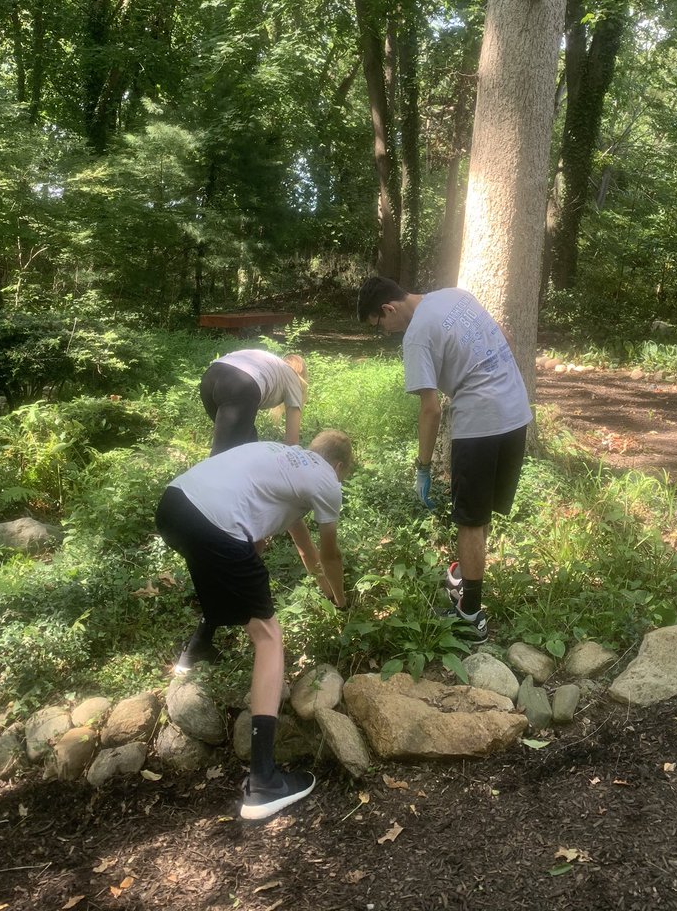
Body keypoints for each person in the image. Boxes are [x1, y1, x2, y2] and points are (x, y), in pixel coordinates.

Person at [156, 430, 352, 821]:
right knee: (268, 637)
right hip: (216, 523)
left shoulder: (282, 461)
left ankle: (195, 651)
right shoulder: (327, 482)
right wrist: (342, 602)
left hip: (175, 506)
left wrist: (323, 591)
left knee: (229, 572)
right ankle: (264, 782)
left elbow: (303, 549)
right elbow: (330, 556)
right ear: (339, 467)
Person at [357, 277, 531, 642]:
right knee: (480, 513)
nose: (384, 332)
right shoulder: (456, 295)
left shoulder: (416, 335)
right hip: (516, 412)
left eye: (379, 324)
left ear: (388, 308)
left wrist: (422, 467)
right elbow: (506, 338)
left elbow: (431, 409)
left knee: (469, 520)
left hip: (480, 424)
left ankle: (470, 616)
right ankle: (465, 577)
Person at [200, 349, 308, 455]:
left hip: (211, 375)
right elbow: (292, 441)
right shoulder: (294, 379)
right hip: (240, 384)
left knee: (248, 441)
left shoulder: (272, 364)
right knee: (226, 455)